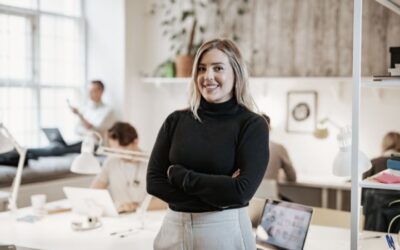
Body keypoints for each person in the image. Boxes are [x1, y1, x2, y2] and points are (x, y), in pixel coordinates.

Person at [147, 39, 269, 250]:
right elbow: (154, 182)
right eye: (202, 69)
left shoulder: (252, 125)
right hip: (173, 227)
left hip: (223, 231)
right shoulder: (175, 120)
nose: (208, 76)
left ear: (236, 74)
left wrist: (179, 175)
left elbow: (241, 191)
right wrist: (220, 195)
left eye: (218, 68)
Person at [0, 80, 115, 167]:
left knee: (56, 148)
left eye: (93, 91)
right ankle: (23, 152)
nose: (90, 94)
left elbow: (92, 128)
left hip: (91, 145)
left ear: (101, 91)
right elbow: (77, 129)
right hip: (78, 140)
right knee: (55, 144)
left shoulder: (107, 110)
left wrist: (79, 115)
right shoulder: (86, 108)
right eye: (89, 91)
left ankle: (24, 152)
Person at [91, 122, 147, 213]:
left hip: (145, 217)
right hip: (119, 218)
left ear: (135, 142)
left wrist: (135, 206)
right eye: (115, 150)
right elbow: (94, 192)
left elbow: (164, 202)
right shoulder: (111, 161)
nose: (119, 155)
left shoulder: (150, 163)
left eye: (123, 149)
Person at [261, 114, 296, 182]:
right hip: (269, 190)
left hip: (248, 191)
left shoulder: (243, 148)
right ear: (270, 128)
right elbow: (292, 177)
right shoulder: (279, 148)